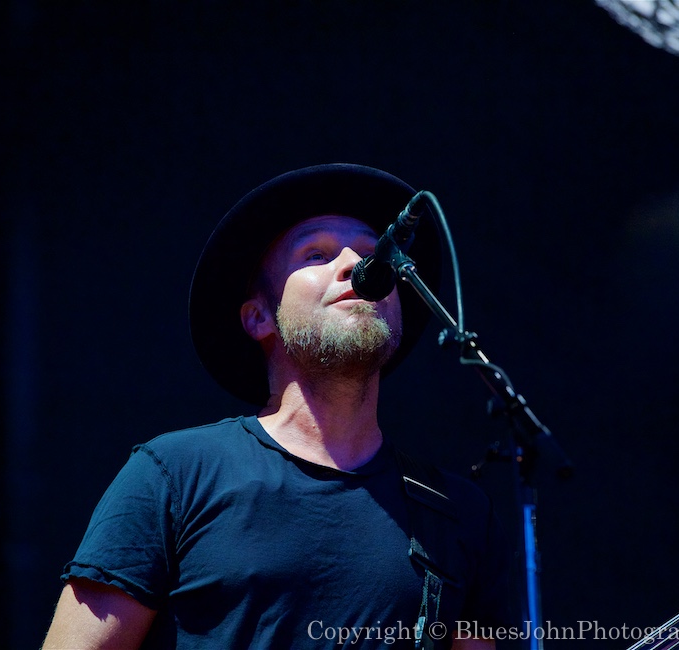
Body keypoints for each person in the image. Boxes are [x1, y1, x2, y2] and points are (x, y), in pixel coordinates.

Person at [42, 164, 515, 649]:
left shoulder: (458, 515)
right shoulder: (174, 475)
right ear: (259, 317)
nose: (355, 264)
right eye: (316, 253)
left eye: (375, 254)